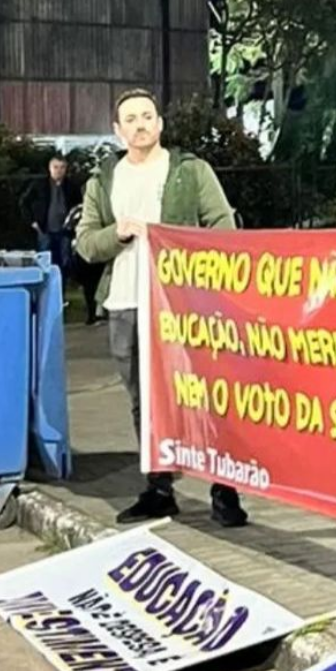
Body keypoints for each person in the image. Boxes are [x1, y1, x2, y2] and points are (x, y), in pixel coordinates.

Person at [75, 88, 247, 528]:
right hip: (126, 303)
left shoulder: (190, 171)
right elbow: (86, 243)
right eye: (130, 119)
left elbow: (223, 230)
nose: (139, 125)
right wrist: (119, 233)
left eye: (147, 116)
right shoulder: (104, 179)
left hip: (182, 307)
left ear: (160, 124)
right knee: (143, 401)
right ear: (117, 130)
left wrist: (187, 254)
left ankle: (223, 489)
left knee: (201, 396)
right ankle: (158, 487)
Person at [22, 154, 87, 319]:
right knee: (45, 263)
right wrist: (33, 222)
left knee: (63, 264)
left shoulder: (71, 187)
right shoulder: (39, 185)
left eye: (62, 168)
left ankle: (60, 297)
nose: (59, 171)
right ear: (50, 168)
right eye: (56, 167)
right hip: (46, 231)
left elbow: (79, 207)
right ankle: (43, 298)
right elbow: (23, 202)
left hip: (64, 232)